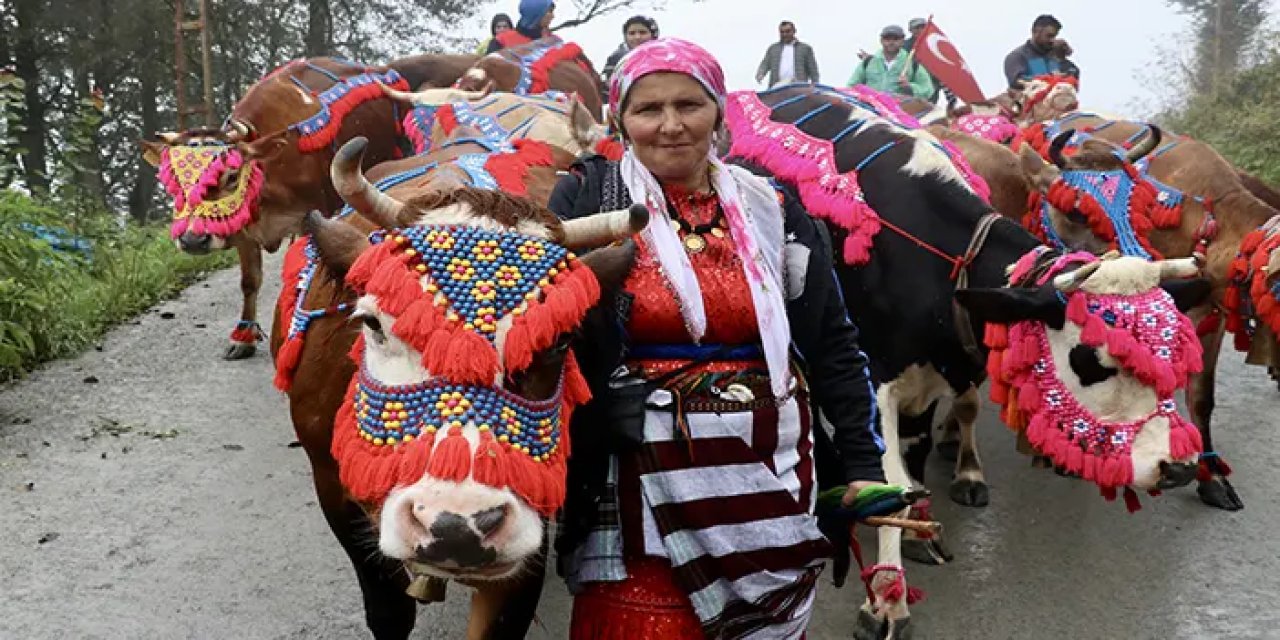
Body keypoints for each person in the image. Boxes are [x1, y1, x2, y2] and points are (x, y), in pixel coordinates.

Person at [550, 37, 886, 638]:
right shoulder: (586, 198)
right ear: (621, 119)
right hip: (636, 482)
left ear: (719, 112)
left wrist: (861, 463)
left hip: (773, 472)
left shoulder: (773, 205)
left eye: (689, 104)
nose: (671, 125)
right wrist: (586, 420)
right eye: (648, 109)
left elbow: (833, 341)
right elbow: (546, 339)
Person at [847, 24, 933, 100]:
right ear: (881, 40)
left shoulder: (912, 64)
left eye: (896, 39)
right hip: (871, 110)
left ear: (902, 41)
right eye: (887, 39)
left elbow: (928, 90)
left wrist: (909, 87)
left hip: (901, 112)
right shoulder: (868, 62)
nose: (891, 42)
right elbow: (851, 86)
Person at [1003, 14, 1081, 87]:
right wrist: (1050, 79)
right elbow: (1017, 82)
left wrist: (1062, 59)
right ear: (1035, 32)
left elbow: (1073, 76)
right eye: (1049, 36)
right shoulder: (1018, 56)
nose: (1052, 40)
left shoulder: (1053, 58)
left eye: (1054, 36)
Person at [755, 21, 820, 88]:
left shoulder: (805, 49)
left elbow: (813, 70)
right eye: (782, 32)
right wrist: (760, 74)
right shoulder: (773, 49)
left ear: (794, 31)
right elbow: (765, 64)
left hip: (799, 87)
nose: (785, 34)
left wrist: (815, 85)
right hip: (776, 88)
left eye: (787, 31)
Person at [603, 15, 659, 85]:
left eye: (642, 32)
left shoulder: (663, 57)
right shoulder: (617, 58)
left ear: (653, 35)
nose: (637, 37)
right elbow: (607, 88)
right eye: (632, 33)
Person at [486, 0, 555, 53]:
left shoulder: (553, 41)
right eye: (550, 11)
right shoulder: (501, 41)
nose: (553, 16)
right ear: (535, 14)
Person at [903, 17, 942, 102]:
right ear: (910, 30)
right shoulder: (903, 46)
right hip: (910, 86)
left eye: (923, 27)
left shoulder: (935, 46)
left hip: (931, 87)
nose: (920, 30)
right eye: (917, 28)